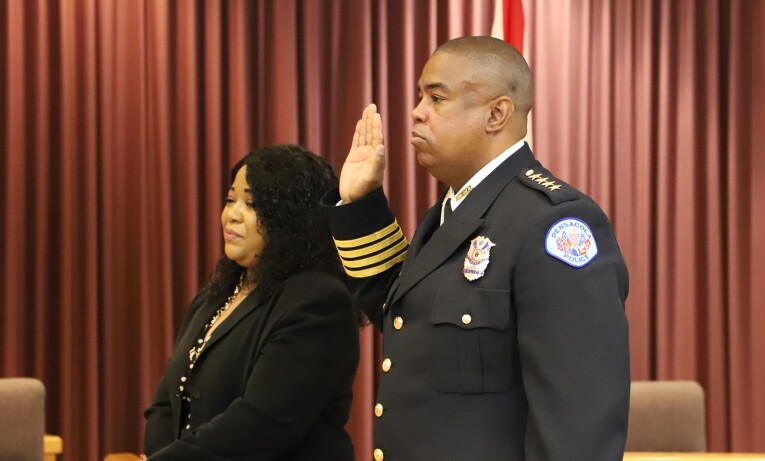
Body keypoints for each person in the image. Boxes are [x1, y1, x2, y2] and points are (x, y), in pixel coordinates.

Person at [321, 36, 630, 460]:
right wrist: (361, 204)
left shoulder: (552, 224)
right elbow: (403, 312)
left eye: (436, 97)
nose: (417, 112)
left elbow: (578, 427)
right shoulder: (455, 209)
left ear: (496, 114)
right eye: (419, 96)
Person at [143, 144, 360, 460]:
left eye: (252, 204)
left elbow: (260, 423)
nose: (232, 214)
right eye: (231, 200)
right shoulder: (215, 295)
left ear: (292, 218)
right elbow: (167, 401)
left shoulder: (318, 301)